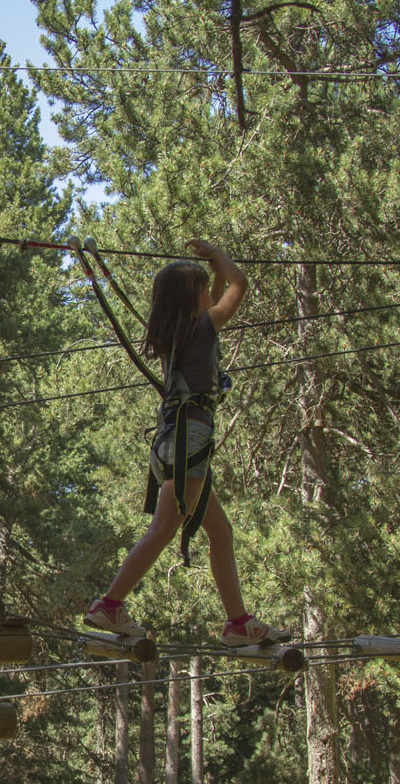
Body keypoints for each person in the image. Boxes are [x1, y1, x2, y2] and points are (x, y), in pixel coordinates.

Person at [84, 240, 290, 648]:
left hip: (174, 443)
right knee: (163, 528)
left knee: (221, 532)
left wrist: (208, 268)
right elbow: (239, 285)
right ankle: (109, 604)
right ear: (193, 299)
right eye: (204, 289)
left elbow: (217, 292)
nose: (211, 295)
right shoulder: (201, 328)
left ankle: (237, 622)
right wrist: (217, 254)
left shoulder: (176, 335)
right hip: (188, 441)